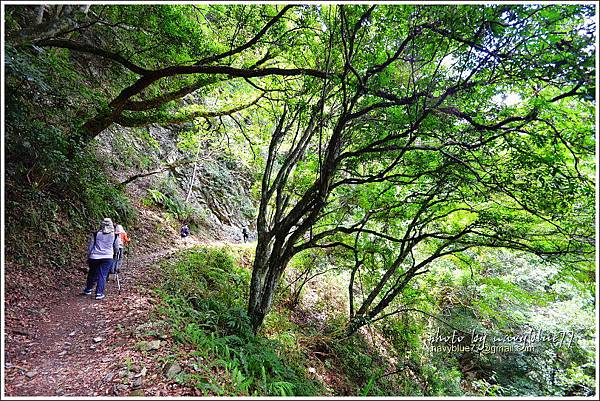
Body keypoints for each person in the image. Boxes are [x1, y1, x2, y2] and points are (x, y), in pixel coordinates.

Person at [83, 218, 120, 300]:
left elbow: (90, 247)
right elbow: (116, 247)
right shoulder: (115, 235)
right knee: (102, 275)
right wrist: (114, 254)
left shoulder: (96, 234)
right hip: (107, 257)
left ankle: (88, 289)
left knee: (92, 273)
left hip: (94, 256)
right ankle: (99, 293)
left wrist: (88, 256)